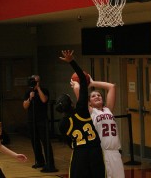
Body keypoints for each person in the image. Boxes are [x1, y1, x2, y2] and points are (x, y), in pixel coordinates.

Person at [54, 50, 106, 178]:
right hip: (95, 151)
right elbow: (83, 79)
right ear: (71, 102)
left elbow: (67, 141)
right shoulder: (82, 109)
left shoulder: (62, 124)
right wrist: (71, 61)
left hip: (80, 152)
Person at [72, 75, 125, 178]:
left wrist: (92, 83)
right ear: (89, 103)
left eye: (99, 95)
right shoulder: (91, 112)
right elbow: (77, 89)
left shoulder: (108, 109)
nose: (97, 96)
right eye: (93, 96)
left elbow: (112, 87)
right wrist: (76, 83)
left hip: (115, 153)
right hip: (101, 152)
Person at [23, 75, 58, 173]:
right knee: (35, 142)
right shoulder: (28, 92)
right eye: (33, 81)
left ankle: (50, 164)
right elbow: (25, 106)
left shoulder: (44, 90)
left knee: (46, 142)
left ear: (39, 81)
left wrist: (38, 88)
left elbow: (44, 100)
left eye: (36, 81)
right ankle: (40, 161)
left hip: (42, 120)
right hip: (31, 120)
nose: (35, 82)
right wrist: (30, 98)